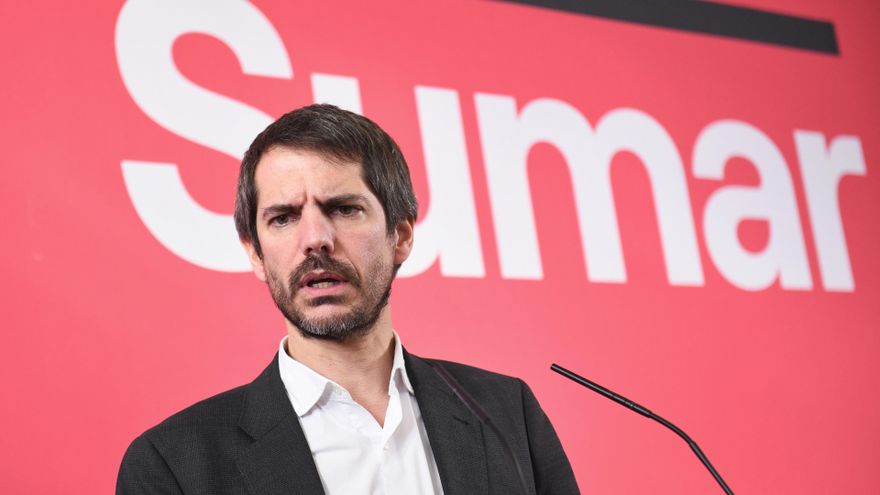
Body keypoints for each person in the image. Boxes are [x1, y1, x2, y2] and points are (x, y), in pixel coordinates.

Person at [116, 104, 580, 495]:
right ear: (256, 254)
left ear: (399, 237)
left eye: (344, 209)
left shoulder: (506, 412)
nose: (316, 239)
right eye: (283, 218)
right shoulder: (173, 465)